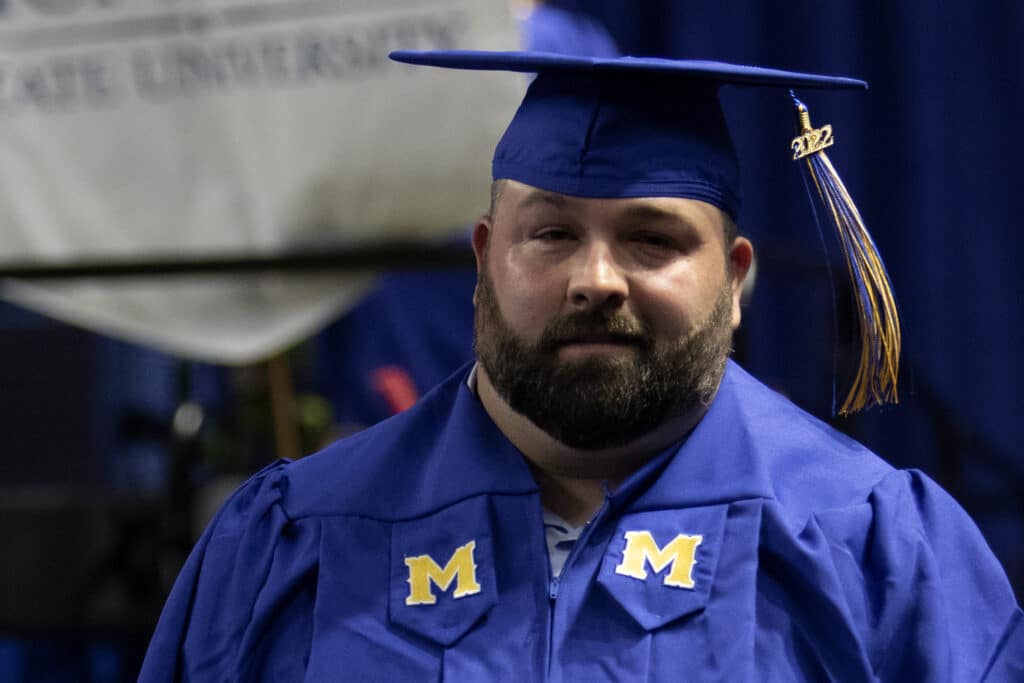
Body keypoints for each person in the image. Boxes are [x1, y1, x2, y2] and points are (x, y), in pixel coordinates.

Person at [139, 51, 1023, 681]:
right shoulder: (293, 540)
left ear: (738, 277)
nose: (596, 280)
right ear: (486, 258)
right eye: (552, 234)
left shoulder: (875, 550)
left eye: (652, 239)